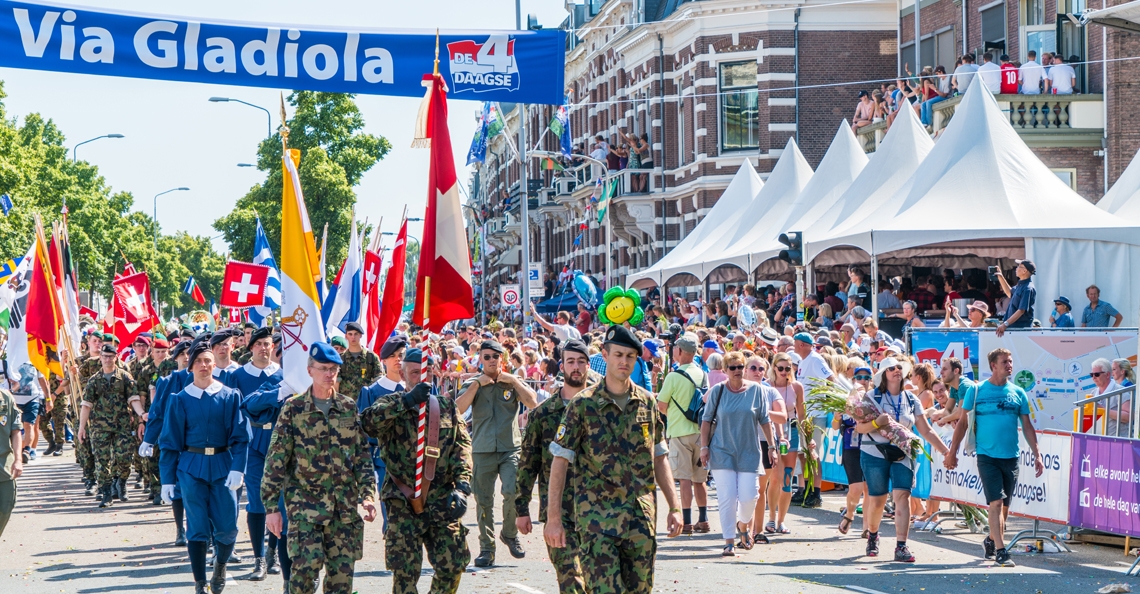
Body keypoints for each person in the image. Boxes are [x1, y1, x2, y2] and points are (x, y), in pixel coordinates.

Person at [545, 325, 683, 592]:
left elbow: (659, 456)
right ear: (605, 355)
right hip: (597, 521)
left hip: (640, 520)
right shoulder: (583, 405)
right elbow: (560, 461)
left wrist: (674, 507)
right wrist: (553, 519)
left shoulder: (647, 402)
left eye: (630, 356)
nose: (624, 361)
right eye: (618, 355)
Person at [361, 346, 473, 594]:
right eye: (414, 373)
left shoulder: (446, 407)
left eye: (426, 373)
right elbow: (368, 423)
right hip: (402, 499)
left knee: (454, 564)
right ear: (402, 374)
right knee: (405, 573)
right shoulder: (389, 403)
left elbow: (461, 448)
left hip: (441, 497)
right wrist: (407, 401)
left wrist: (463, 487)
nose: (421, 378)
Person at [159, 342, 250, 594]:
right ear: (190, 367)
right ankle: (200, 582)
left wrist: (237, 468)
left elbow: (241, 437)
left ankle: (220, 566)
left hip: (223, 465)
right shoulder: (180, 399)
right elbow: (169, 442)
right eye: (198, 361)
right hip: (191, 468)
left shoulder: (230, 396)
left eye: (208, 361)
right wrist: (167, 479)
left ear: (214, 364)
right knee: (197, 526)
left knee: (228, 526)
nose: (204, 365)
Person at [945, 348, 1044, 568]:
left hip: (1011, 457)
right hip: (986, 455)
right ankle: (1001, 551)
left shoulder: (1018, 392)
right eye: (1004, 362)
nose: (1009, 365)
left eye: (1010, 361)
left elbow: (1027, 425)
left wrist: (1037, 454)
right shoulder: (977, 391)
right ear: (993, 365)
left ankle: (991, 540)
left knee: (1005, 509)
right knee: (996, 503)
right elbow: (962, 424)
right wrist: (952, 452)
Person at [855, 357, 949, 563]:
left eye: (899, 367)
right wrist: (876, 424)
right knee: (878, 500)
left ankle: (901, 545)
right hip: (874, 452)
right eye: (891, 368)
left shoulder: (911, 399)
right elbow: (859, 428)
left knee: (903, 496)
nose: (897, 370)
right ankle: (872, 535)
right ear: (883, 374)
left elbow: (925, 429)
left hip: (903, 452)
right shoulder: (872, 397)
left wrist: (946, 451)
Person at [515, 340, 591, 592]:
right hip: (559, 512)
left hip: (600, 512)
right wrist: (521, 508)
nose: (576, 367)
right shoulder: (543, 414)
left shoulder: (602, 409)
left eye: (581, 361)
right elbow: (528, 463)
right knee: (571, 582)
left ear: (589, 366)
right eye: (571, 362)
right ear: (562, 366)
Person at [456, 340, 538, 567]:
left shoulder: (511, 383)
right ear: (480, 359)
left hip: (510, 447)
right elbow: (458, 409)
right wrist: (476, 385)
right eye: (487, 357)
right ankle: (487, 548)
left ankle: (509, 534)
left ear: (503, 357)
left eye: (495, 356)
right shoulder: (474, 383)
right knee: (483, 500)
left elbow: (533, 403)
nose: (492, 360)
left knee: (512, 491)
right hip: (482, 449)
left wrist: (513, 380)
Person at [698, 351, 778, 556]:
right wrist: (704, 447)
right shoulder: (718, 391)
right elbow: (706, 421)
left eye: (740, 367)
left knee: (750, 496)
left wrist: (772, 447)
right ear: (724, 370)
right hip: (722, 450)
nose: (737, 371)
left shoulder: (756, 390)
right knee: (727, 498)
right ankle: (729, 541)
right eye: (732, 367)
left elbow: (765, 420)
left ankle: (743, 525)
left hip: (749, 451)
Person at [223, 327, 282, 581]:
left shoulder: (283, 375)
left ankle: (273, 553)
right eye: (258, 344)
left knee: (279, 500)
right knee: (258, 501)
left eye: (267, 343)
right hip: (252, 441)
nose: (263, 348)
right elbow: (232, 410)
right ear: (250, 347)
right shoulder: (238, 376)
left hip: (279, 441)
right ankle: (258, 558)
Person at [655, 334, 711, 535]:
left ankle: (686, 521)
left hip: (679, 432)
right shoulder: (704, 374)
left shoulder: (673, 376)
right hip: (700, 432)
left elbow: (661, 406)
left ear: (679, 351)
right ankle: (703, 519)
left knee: (684, 479)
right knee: (700, 479)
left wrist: (671, 412)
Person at [79, 345, 145, 507]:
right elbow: (86, 405)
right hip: (99, 427)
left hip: (121, 426)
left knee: (124, 458)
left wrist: (141, 415)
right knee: (102, 461)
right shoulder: (94, 380)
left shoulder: (124, 377)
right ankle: (106, 492)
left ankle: (121, 482)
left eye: (111, 356)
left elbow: (133, 399)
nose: (108, 359)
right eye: (105, 356)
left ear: (116, 357)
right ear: (100, 357)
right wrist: (81, 428)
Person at [356, 336, 408, 530]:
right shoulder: (371, 392)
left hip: (413, 461)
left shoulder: (415, 389)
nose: (398, 360)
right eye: (392, 356)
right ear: (383, 360)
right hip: (384, 462)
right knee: (391, 518)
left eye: (401, 355)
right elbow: (363, 435)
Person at [765, 352, 804, 534]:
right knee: (775, 477)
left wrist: (807, 439)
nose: (784, 371)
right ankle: (771, 517)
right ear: (774, 368)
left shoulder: (796, 387)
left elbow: (801, 414)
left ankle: (781, 520)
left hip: (792, 431)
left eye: (787, 368)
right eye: (780, 368)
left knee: (787, 478)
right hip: (772, 431)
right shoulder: (767, 386)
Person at [793, 332, 832, 508]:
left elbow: (831, 379)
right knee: (804, 455)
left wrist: (828, 399)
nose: (794, 347)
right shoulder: (803, 361)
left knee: (813, 454)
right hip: (805, 415)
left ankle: (816, 493)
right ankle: (807, 490)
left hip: (816, 414)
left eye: (795, 344)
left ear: (802, 344)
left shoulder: (815, 359)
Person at [838, 365, 872, 536]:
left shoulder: (873, 399)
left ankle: (867, 527)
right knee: (856, 488)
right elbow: (835, 425)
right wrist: (838, 416)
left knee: (868, 489)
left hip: (871, 446)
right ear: (853, 380)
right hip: (850, 447)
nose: (863, 381)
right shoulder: (845, 399)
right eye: (860, 377)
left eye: (867, 378)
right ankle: (850, 514)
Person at [339, 321, 382, 400]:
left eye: (356, 334)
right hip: (346, 405)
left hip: (366, 403)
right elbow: (336, 383)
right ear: (346, 336)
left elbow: (379, 381)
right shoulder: (340, 359)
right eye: (350, 334)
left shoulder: (371, 357)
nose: (353, 337)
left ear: (360, 335)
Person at [0, 382, 20, 538]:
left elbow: (15, 431)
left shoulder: (6, 397)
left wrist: (18, 459)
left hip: (4, 465)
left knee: (6, 505)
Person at [995, 260, 1036, 336]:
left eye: (1019, 266)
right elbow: (1009, 293)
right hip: (1014, 328)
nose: (1016, 268)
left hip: (1020, 330)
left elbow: (1021, 310)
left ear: (1024, 271)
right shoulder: (1021, 285)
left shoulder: (1028, 288)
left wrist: (1005, 324)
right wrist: (1000, 276)